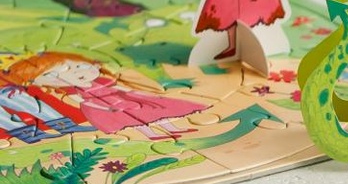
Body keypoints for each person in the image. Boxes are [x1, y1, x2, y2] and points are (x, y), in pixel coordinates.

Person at [4, 52, 208, 139]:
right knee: (135, 123)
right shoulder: (72, 91)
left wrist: (135, 92)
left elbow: (122, 88)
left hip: (126, 99)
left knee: (156, 112)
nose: (72, 73)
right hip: (105, 108)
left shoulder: (101, 80)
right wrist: (104, 107)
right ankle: (152, 135)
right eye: (51, 75)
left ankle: (173, 129)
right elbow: (80, 100)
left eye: (79, 66)